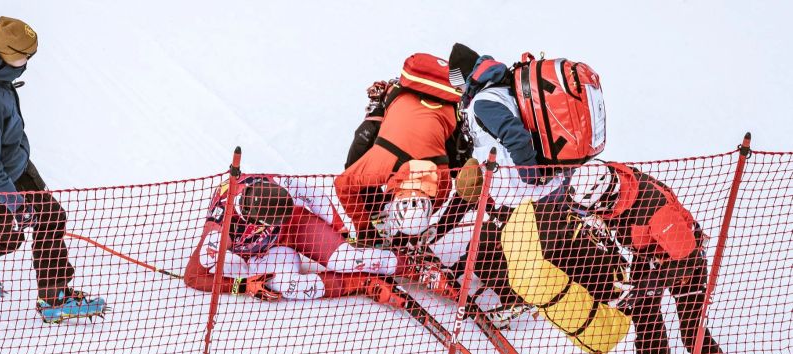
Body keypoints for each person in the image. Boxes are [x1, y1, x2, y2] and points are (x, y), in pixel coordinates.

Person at [0, 16, 107, 324]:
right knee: (48, 217)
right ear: (7, 52)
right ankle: (55, 297)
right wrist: (17, 204)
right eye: (25, 55)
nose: (28, 61)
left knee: (5, 231)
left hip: (6, 165)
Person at [568, 160, 742, 354]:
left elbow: (686, 260)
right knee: (643, 311)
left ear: (607, 196)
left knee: (690, 332)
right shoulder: (611, 185)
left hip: (684, 260)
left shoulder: (656, 211)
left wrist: (645, 286)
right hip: (648, 250)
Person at [184, 176, 450, 301]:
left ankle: (417, 268)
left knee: (346, 257)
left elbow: (313, 196)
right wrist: (242, 286)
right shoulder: (219, 231)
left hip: (296, 226)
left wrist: (339, 228)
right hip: (260, 253)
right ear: (258, 222)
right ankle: (361, 283)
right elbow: (193, 275)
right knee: (286, 287)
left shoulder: (270, 183)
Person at [335, 53, 464, 248]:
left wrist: (365, 229)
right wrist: (364, 229)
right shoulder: (383, 163)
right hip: (407, 100)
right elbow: (342, 184)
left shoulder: (441, 177)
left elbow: (440, 197)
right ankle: (376, 206)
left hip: (436, 103)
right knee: (358, 154)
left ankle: (378, 208)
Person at [447, 43, 565, 209]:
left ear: (465, 80)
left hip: (526, 196)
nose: (460, 93)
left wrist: (531, 176)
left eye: (459, 87)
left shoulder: (482, 102)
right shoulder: (502, 89)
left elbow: (516, 136)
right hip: (536, 191)